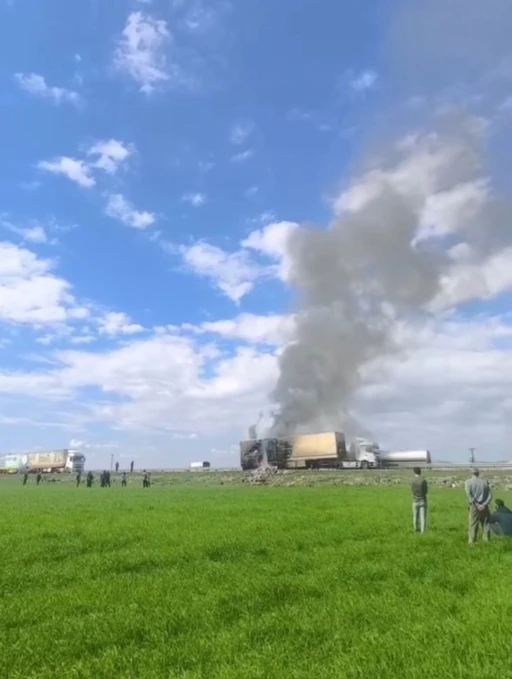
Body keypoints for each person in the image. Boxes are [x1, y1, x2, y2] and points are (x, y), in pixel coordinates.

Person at [464, 468, 492, 543]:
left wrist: (476, 504)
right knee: (486, 524)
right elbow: (490, 495)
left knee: (473, 524)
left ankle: (471, 542)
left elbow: (469, 494)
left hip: (474, 506)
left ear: (471, 473)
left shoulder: (468, 482)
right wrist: (484, 504)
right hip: (484, 506)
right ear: (478, 473)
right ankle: (487, 541)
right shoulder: (484, 482)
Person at [411, 467, 428, 533]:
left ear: (414, 472)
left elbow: (412, 490)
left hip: (415, 500)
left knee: (415, 517)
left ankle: (415, 529)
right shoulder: (423, 480)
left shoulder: (412, 481)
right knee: (423, 517)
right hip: (423, 500)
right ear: (420, 472)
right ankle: (422, 531)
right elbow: (426, 491)